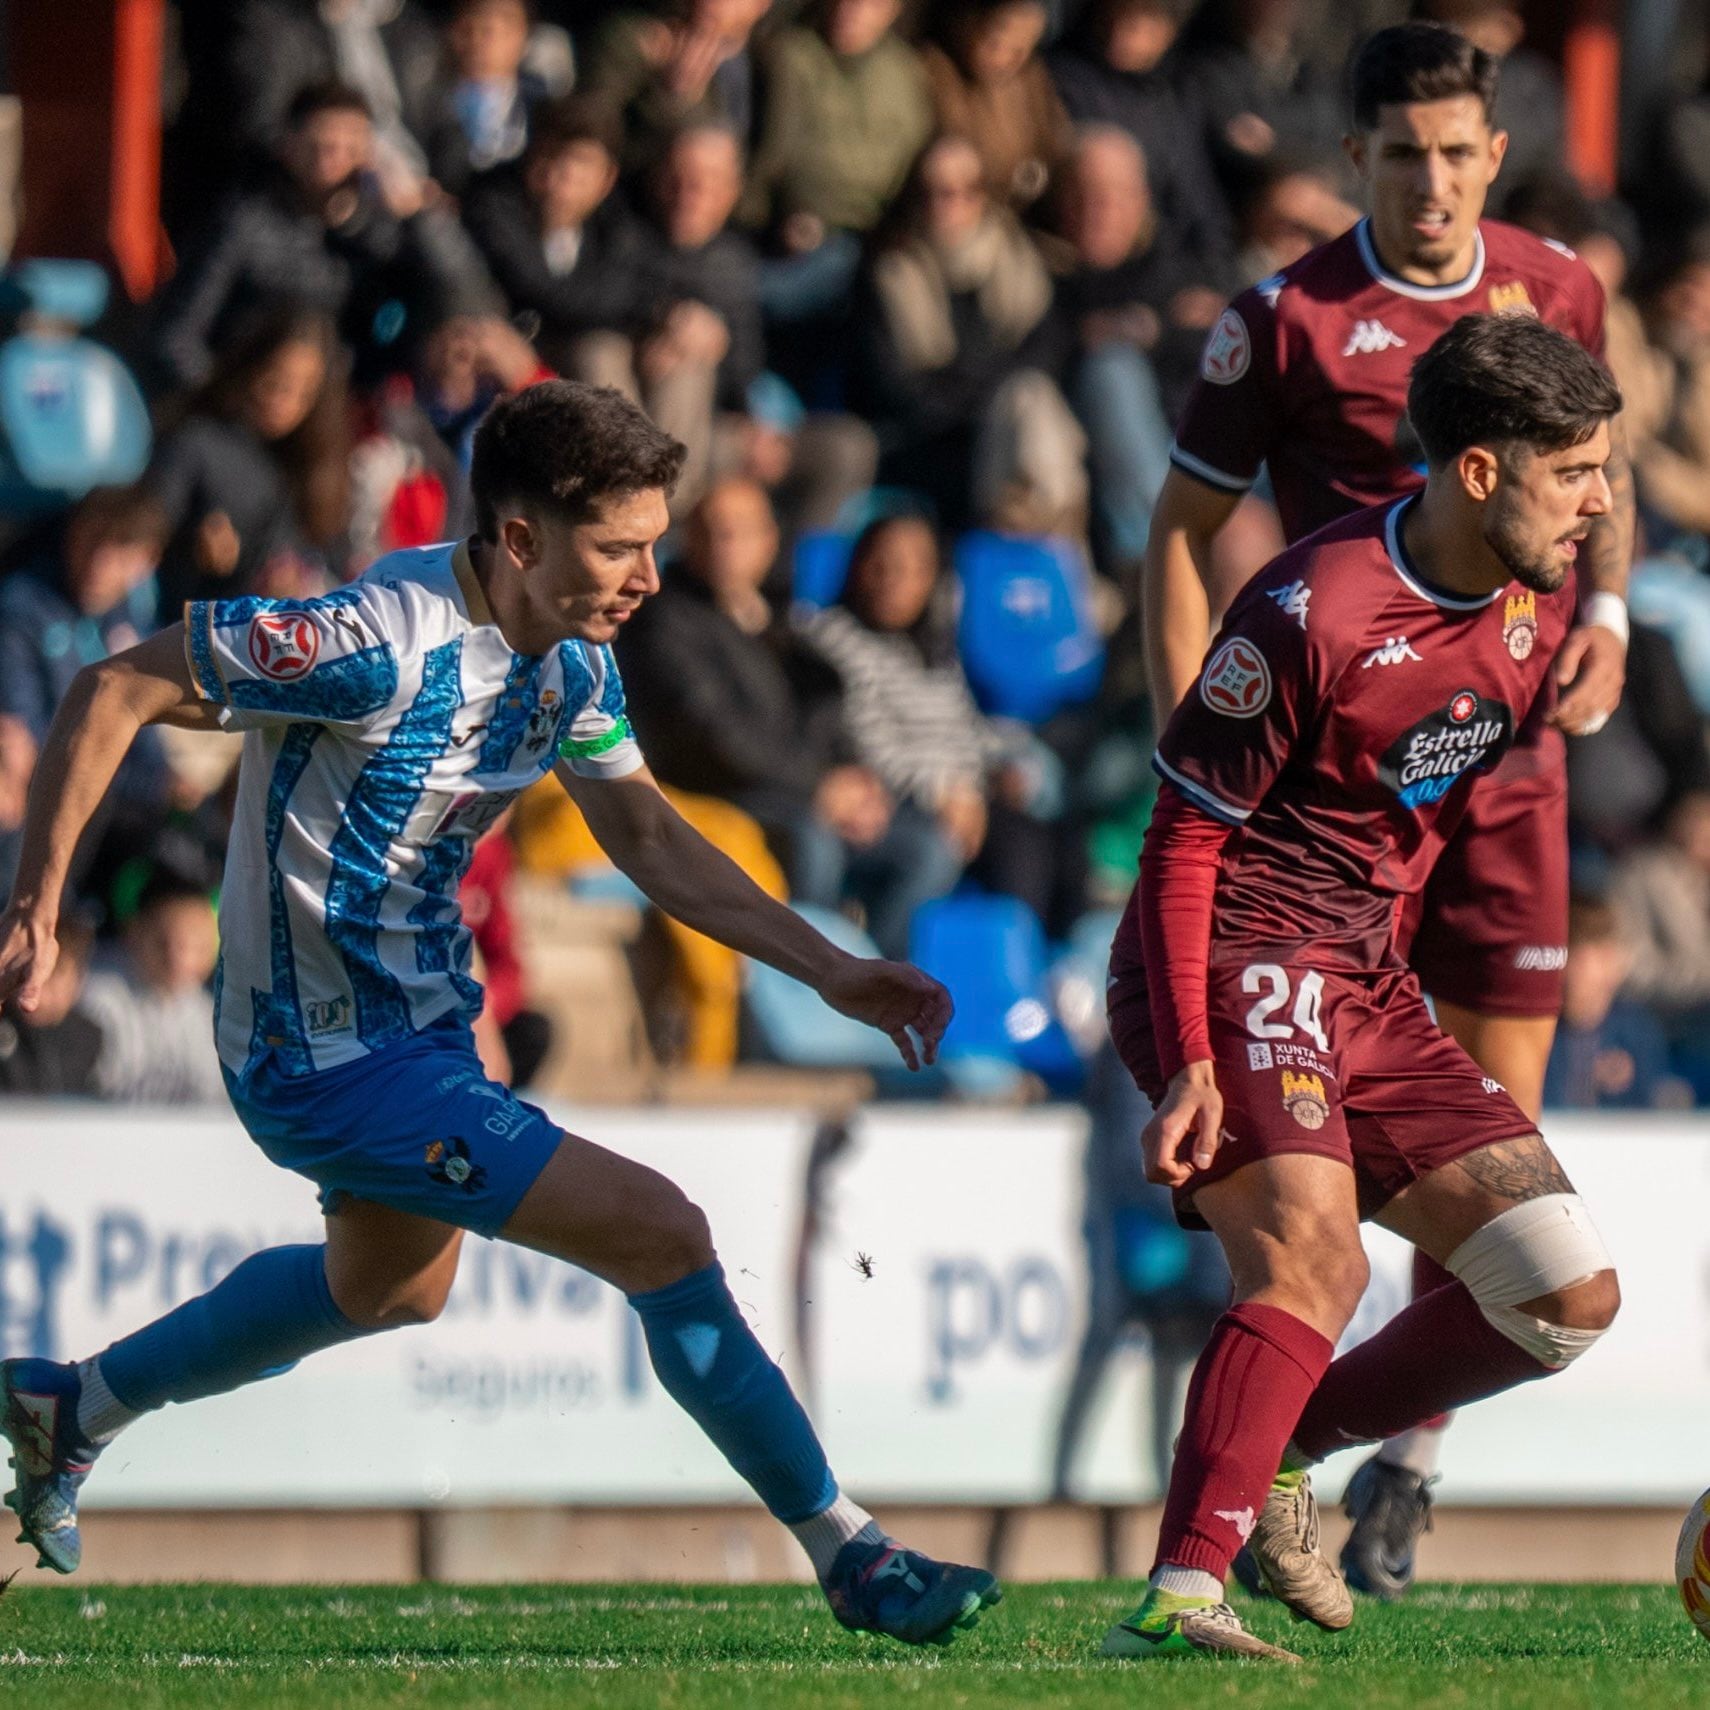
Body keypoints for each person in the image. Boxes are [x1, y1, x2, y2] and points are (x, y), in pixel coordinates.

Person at [0, 380, 999, 1646]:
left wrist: (828, 969)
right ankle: (854, 1557)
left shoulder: (572, 660)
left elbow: (642, 831)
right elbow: (111, 688)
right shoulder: (372, 640)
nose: (649, 574)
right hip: (320, 1055)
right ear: (520, 540)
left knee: (392, 1292)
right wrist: (38, 906)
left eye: (653, 541)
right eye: (619, 547)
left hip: (420, 1034)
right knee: (663, 1234)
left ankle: (72, 1409)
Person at [1140, 23, 1633, 1593]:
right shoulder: (1286, 328)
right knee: (1312, 1243)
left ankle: (1360, 1455)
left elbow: (1589, 510)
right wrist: (1198, 723)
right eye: (1400, 152)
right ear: (1353, 161)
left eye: (1456, 150)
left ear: (1493, 155)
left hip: (1464, 785)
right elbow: (1181, 531)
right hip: (1297, 823)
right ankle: (1201, 1555)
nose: (1430, 180)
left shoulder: (1556, 297)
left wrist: (1604, 622)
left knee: (1540, 1240)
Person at [152, 82, 490, 393]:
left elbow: (463, 289)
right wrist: (229, 400)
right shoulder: (243, 223)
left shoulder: (382, 232)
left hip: (350, 407)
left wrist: (417, 213)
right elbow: (176, 336)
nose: (333, 159)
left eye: (349, 148)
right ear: (288, 146)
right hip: (253, 400)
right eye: (320, 146)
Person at [148, 309, 353, 613]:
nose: (284, 402)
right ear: (251, 365)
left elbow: (331, 561)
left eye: (303, 392)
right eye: (276, 381)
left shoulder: (313, 474)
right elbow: (146, 536)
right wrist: (192, 548)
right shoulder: (196, 442)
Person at [460, 97, 651, 376]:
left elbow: (633, 289)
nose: (560, 176)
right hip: (506, 359)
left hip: (581, 355)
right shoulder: (492, 205)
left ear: (607, 178)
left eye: (580, 162)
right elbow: (533, 286)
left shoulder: (621, 224)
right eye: (549, 156)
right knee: (598, 356)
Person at [79, 867, 226, 1106]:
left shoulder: (211, 1016)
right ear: (134, 931)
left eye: (197, 945)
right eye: (164, 943)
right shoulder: (94, 1000)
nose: (180, 959)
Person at [920, 0, 1073, 215]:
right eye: (995, 44)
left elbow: (1056, 143)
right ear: (968, 25)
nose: (1007, 60)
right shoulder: (936, 70)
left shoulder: (1030, 78)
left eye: (1020, 51)